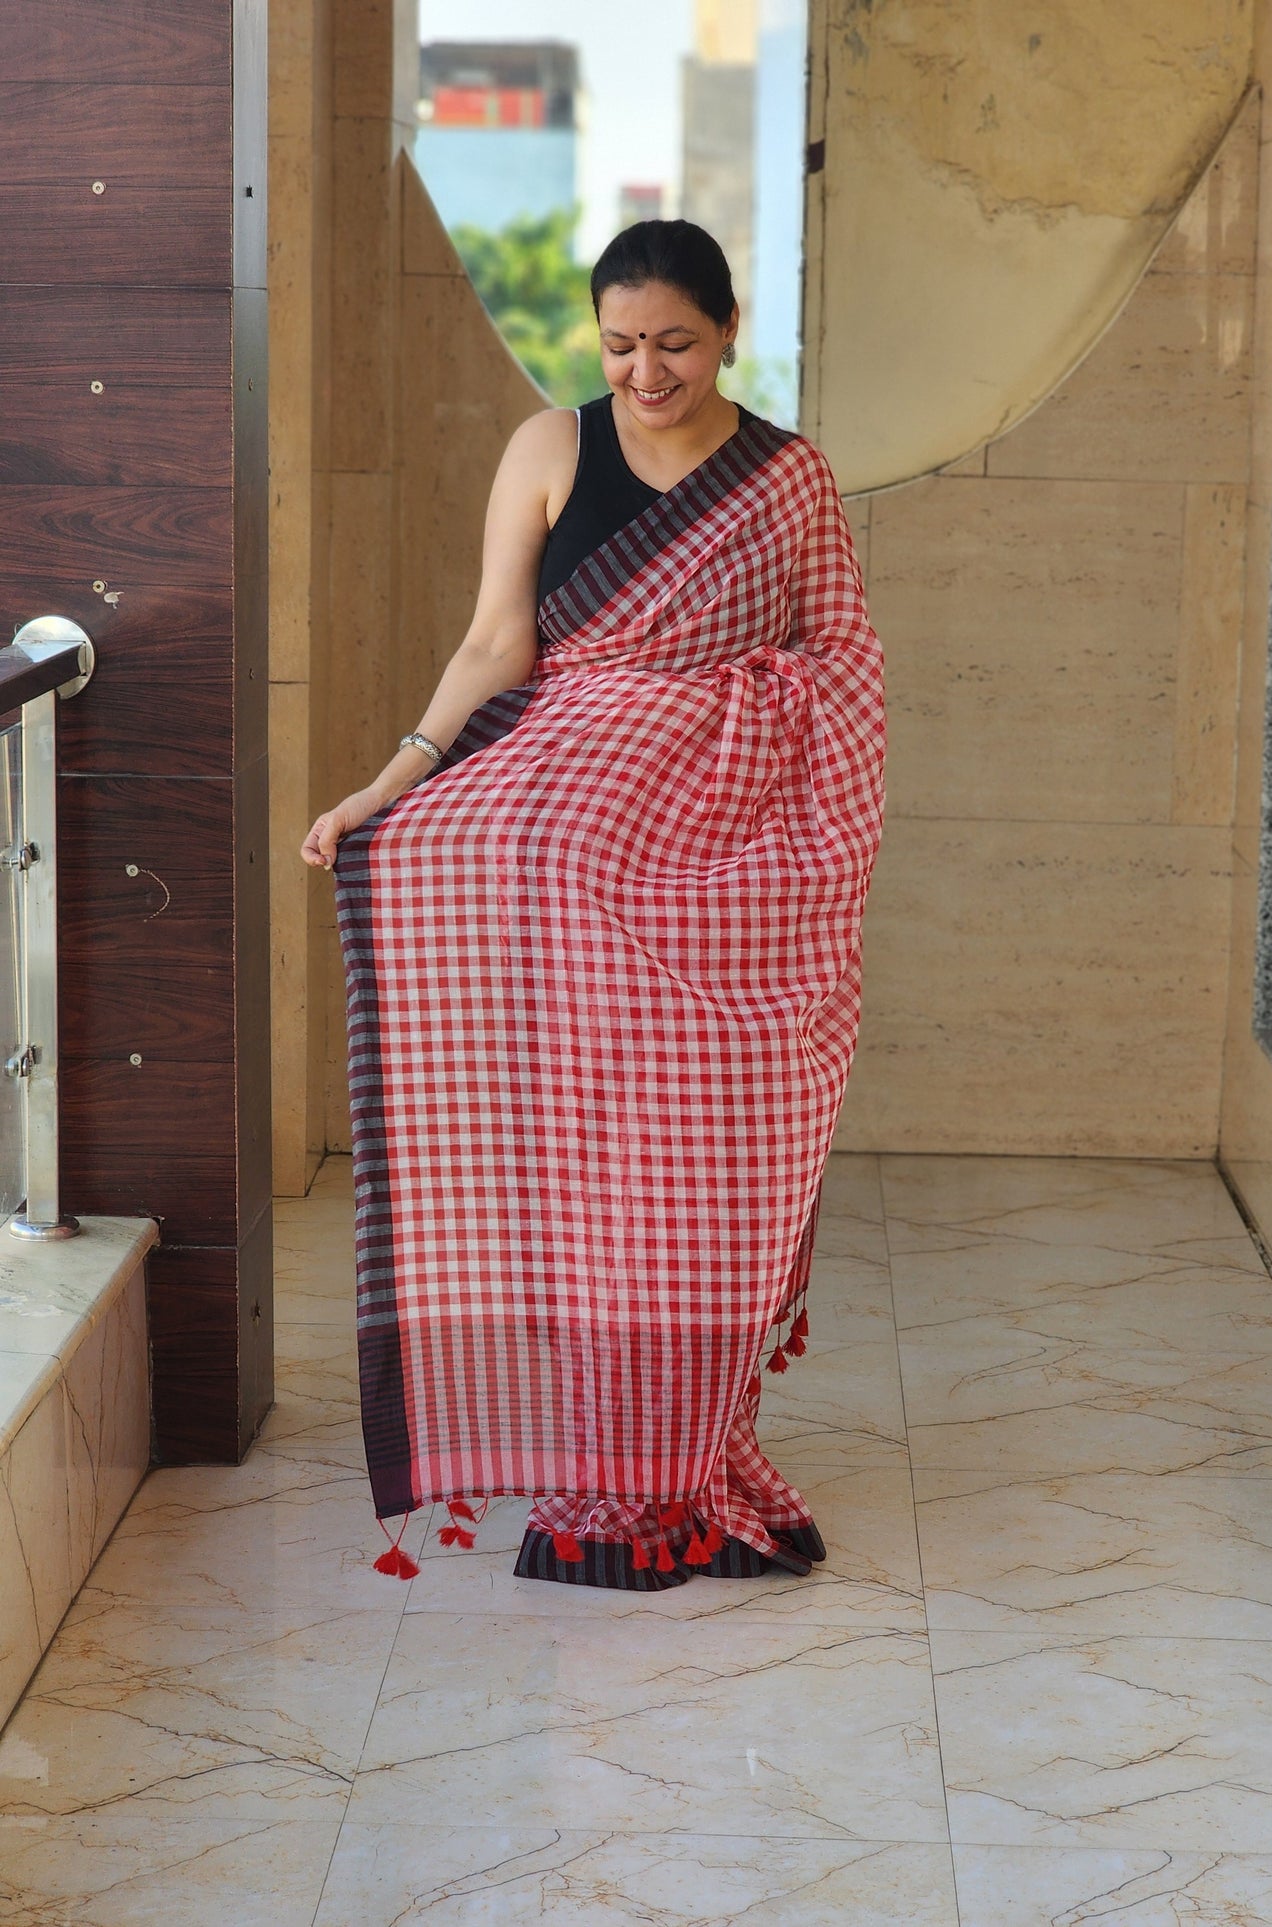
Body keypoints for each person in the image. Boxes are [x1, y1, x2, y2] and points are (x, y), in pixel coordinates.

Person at [301, 219, 885, 1590]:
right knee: (601, 1174)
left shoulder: (788, 477)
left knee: (710, 1159)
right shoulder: (548, 447)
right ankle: (609, 1471)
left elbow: (840, 656)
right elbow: (496, 642)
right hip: (569, 863)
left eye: (674, 343)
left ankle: (694, 1458)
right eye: (619, 345)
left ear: (728, 332)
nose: (645, 372)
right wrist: (390, 784)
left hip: (734, 870)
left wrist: (740, 741)